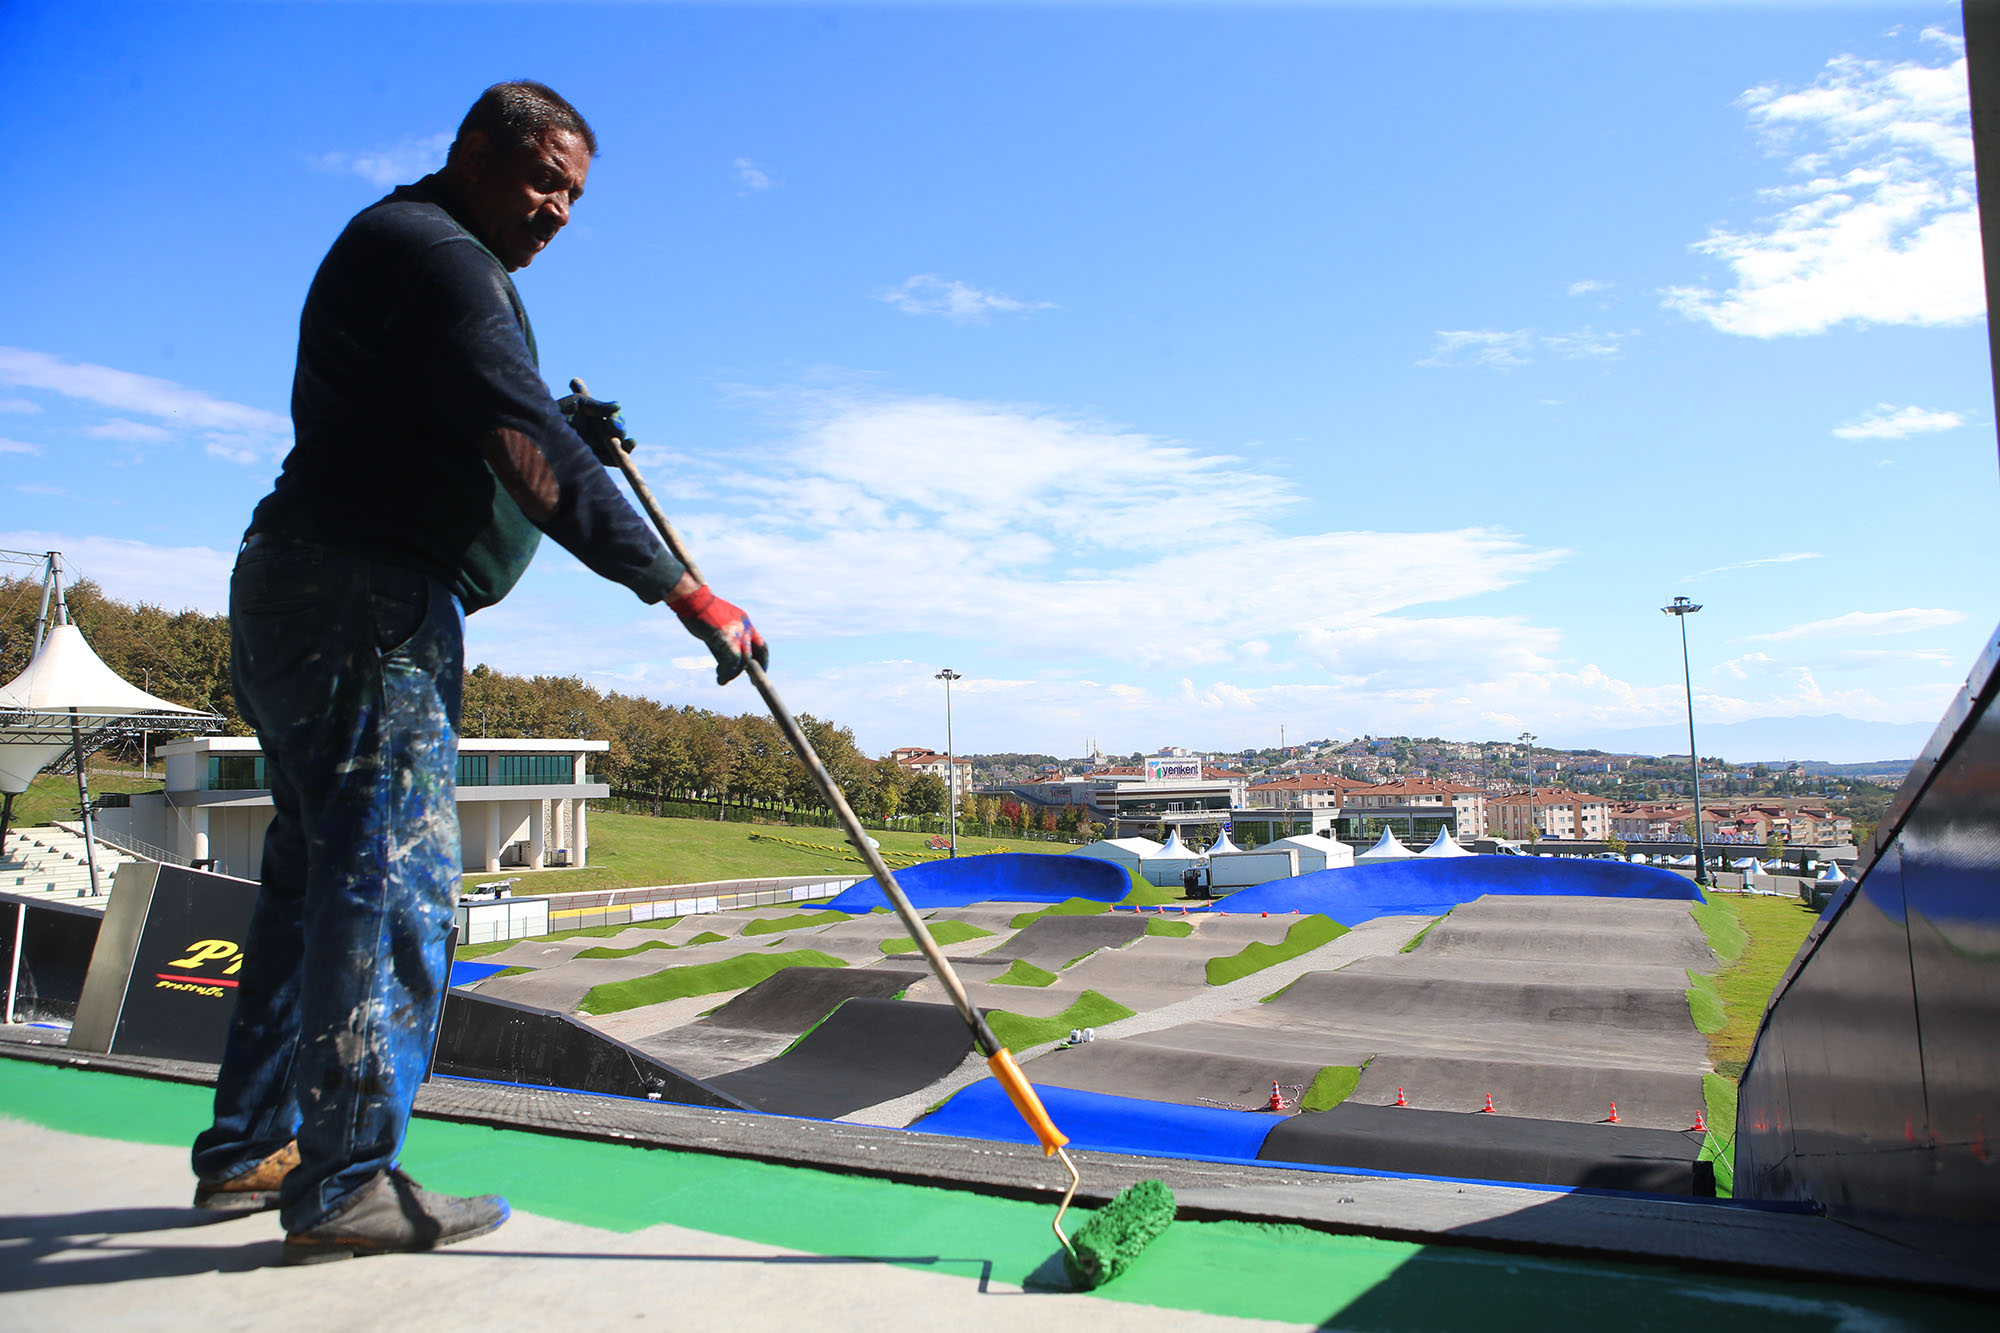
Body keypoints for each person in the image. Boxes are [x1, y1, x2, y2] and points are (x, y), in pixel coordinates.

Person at [188, 81, 766, 1265]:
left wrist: (559, 415)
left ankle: (252, 1146)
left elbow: (484, 409)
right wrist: (681, 587)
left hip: (300, 585)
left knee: (309, 885)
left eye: (573, 195)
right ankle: (348, 1181)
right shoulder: (439, 254)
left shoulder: (413, 253)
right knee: (394, 886)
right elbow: (523, 445)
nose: (557, 211)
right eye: (542, 179)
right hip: (369, 604)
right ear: (471, 153)